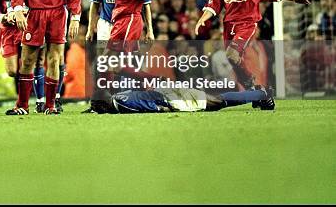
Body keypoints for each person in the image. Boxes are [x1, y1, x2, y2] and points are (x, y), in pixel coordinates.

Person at [194, 0, 310, 89]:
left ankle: (250, 82)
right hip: (229, 25)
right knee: (232, 59)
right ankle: (253, 87)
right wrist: (202, 19)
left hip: (246, 24)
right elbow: (213, 5)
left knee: (231, 54)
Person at [6, 0, 81, 115]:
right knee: (28, 60)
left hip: (57, 15)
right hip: (34, 15)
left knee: (54, 59)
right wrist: (18, 12)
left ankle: (50, 106)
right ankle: (22, 105)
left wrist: (75, 18)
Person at [88, 85, 276, 114]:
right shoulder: (117, 96)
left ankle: (262, 94)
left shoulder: (120, 105)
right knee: (216, 101)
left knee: (217, 103)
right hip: (166, 92)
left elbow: (148, 107)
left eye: (98, 109)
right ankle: (257, 94)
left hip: (169, 99)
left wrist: (165, 110)